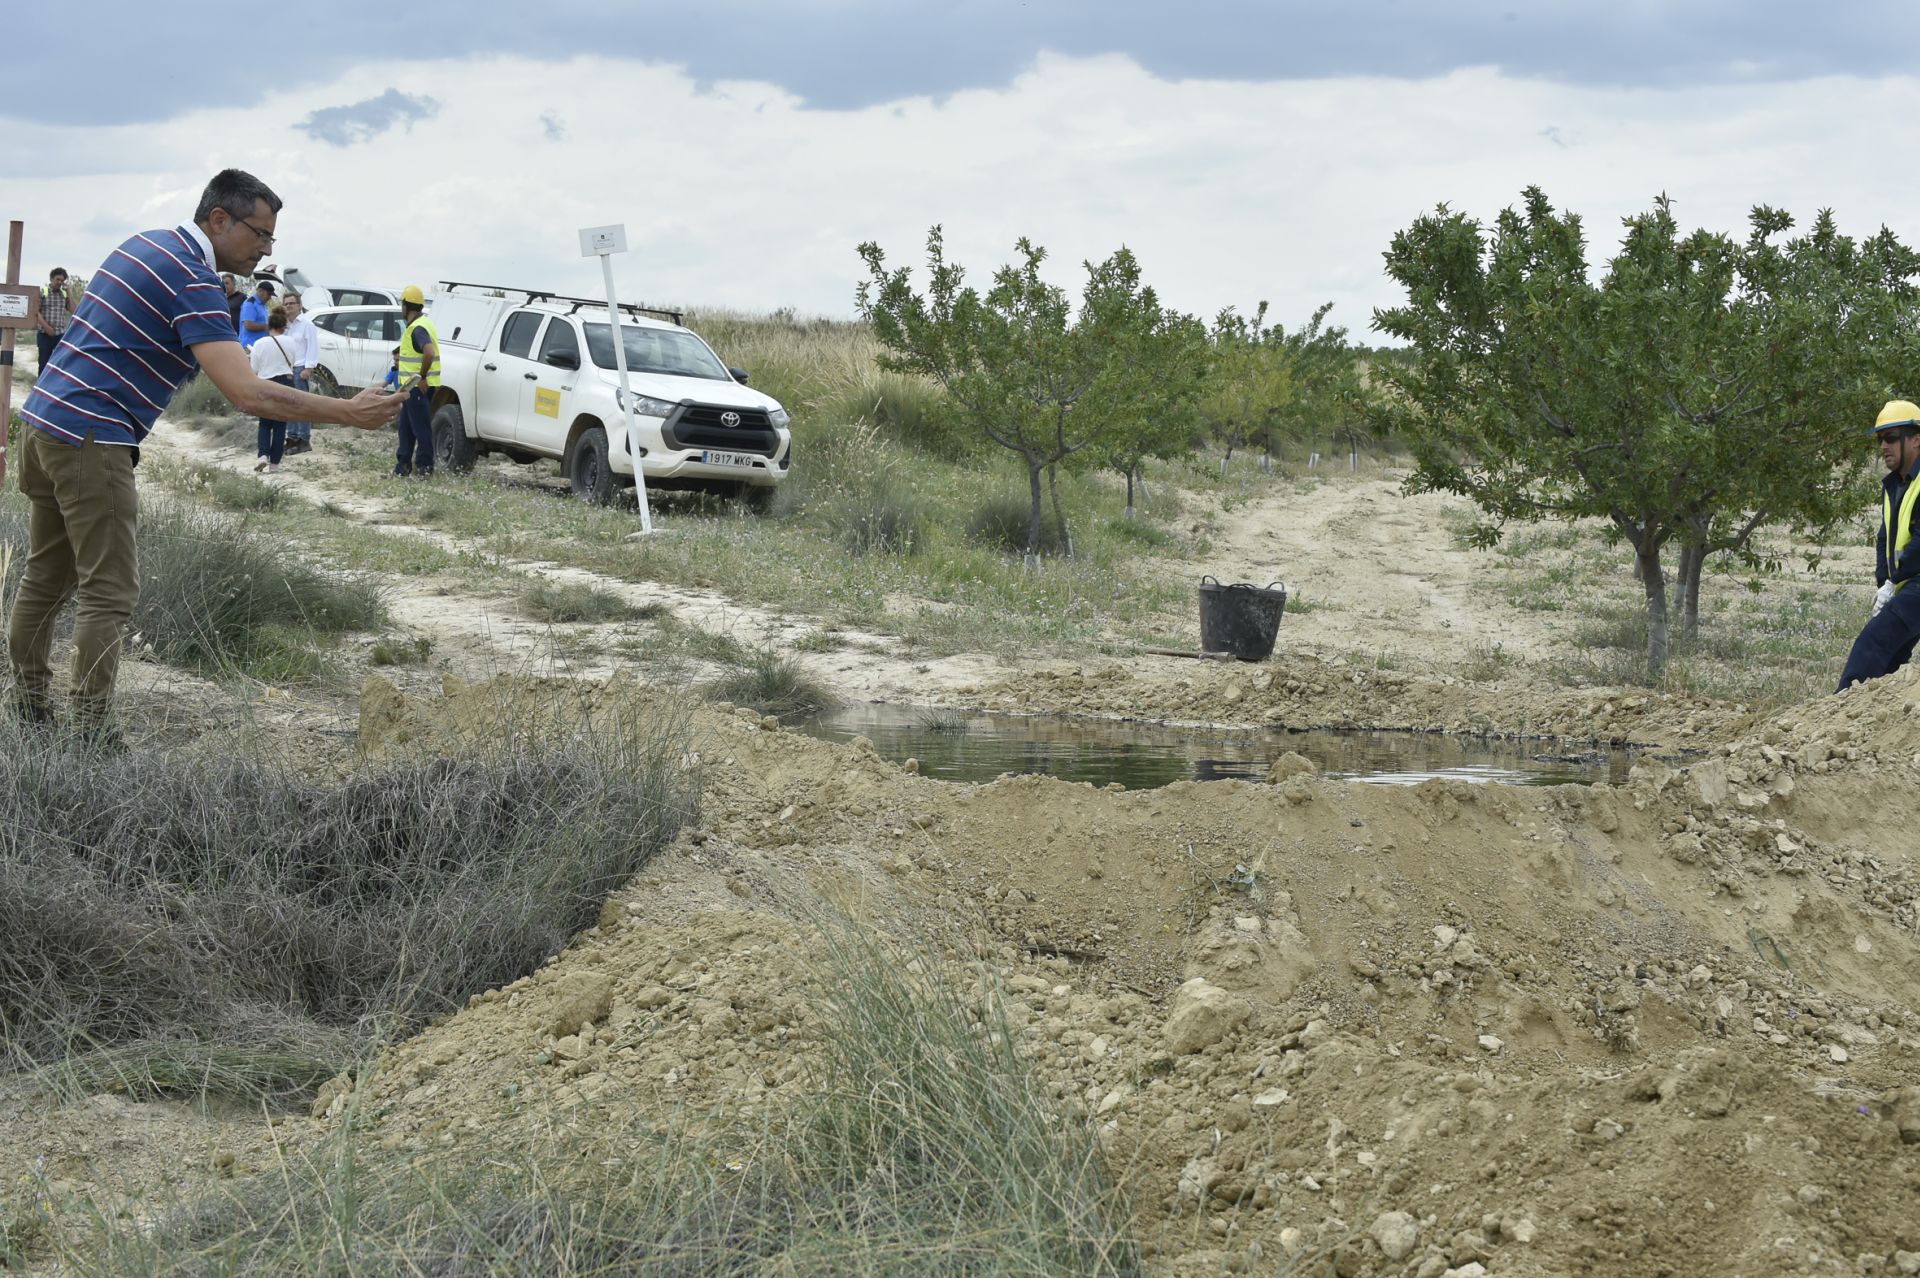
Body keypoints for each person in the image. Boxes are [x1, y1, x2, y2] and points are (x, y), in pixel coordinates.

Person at [5, 168, 403, 742]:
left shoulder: (144, 245)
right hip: (93, 437)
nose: (265, 250)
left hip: (45, 425)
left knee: (46, 577)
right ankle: (89, 736)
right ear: (219, 219)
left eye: (271, 239)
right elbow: (247, 392)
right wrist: (348, 412)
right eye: (259, 234)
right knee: (108, 591)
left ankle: (29, 709)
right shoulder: (191, 279)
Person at [1836, 399, 1920, 691]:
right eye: (1881, 439)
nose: (1884, 445)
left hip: (1915, 580)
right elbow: (1886, 537)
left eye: (1891, 437)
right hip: (1908, 582)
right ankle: (1870, 722)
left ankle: (1839, 706)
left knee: (1872, 643)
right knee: (1890, 658)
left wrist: (1893, 582)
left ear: (1916, 439)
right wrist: (1883, 581)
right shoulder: (1897, 483)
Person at [391, 284, 439, 477]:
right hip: (411, 388)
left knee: (421, 429)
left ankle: (425, 467)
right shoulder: (423, 324)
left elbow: (429, 351)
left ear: (407, 306)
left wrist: (423, 377)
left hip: (418, 387)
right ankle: (402, 466)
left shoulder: (417, 328)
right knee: (406, 428)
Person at [248, 306, 298, 472]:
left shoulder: (259, 344)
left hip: (265, 381)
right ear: (284, 326)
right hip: (286, 382)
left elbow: (254, 369)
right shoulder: (291, 342)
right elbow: (294, 362)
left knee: (264, 423)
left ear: (269, 325)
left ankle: (263, 455)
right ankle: (275, 464)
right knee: (280, 424)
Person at [280, 291, 319, 454]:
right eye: (286, 303)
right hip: (286, 369)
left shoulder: (306, 325)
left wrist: (308, 368)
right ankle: (292, 438)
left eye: (291, 303)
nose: (288, 306)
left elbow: (313, 347)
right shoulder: (284, 325)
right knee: (288, 405)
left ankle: (304, 440)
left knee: (301, 405)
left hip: (299, 368)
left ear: (299, 305)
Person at [34, 268, 73, 373]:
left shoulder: (63, 295)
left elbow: (74, 310)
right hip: (44, 334)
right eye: (58, 279)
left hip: (60, 335)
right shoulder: (43, 292)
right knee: (43, 364)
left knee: (60, 364)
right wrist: (47, 328)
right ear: (51, 279)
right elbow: (36, 312)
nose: (60, 282)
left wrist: (69, 293)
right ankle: (41, 388)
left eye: (62, 280)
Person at [238, 278, 274, 349]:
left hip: (259, 346)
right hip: (250, 346)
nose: (270, 297)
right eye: (269, 294)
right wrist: (268, 327)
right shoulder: (250, 304)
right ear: (260, 291)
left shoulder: (262, 305)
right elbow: (248, 325)